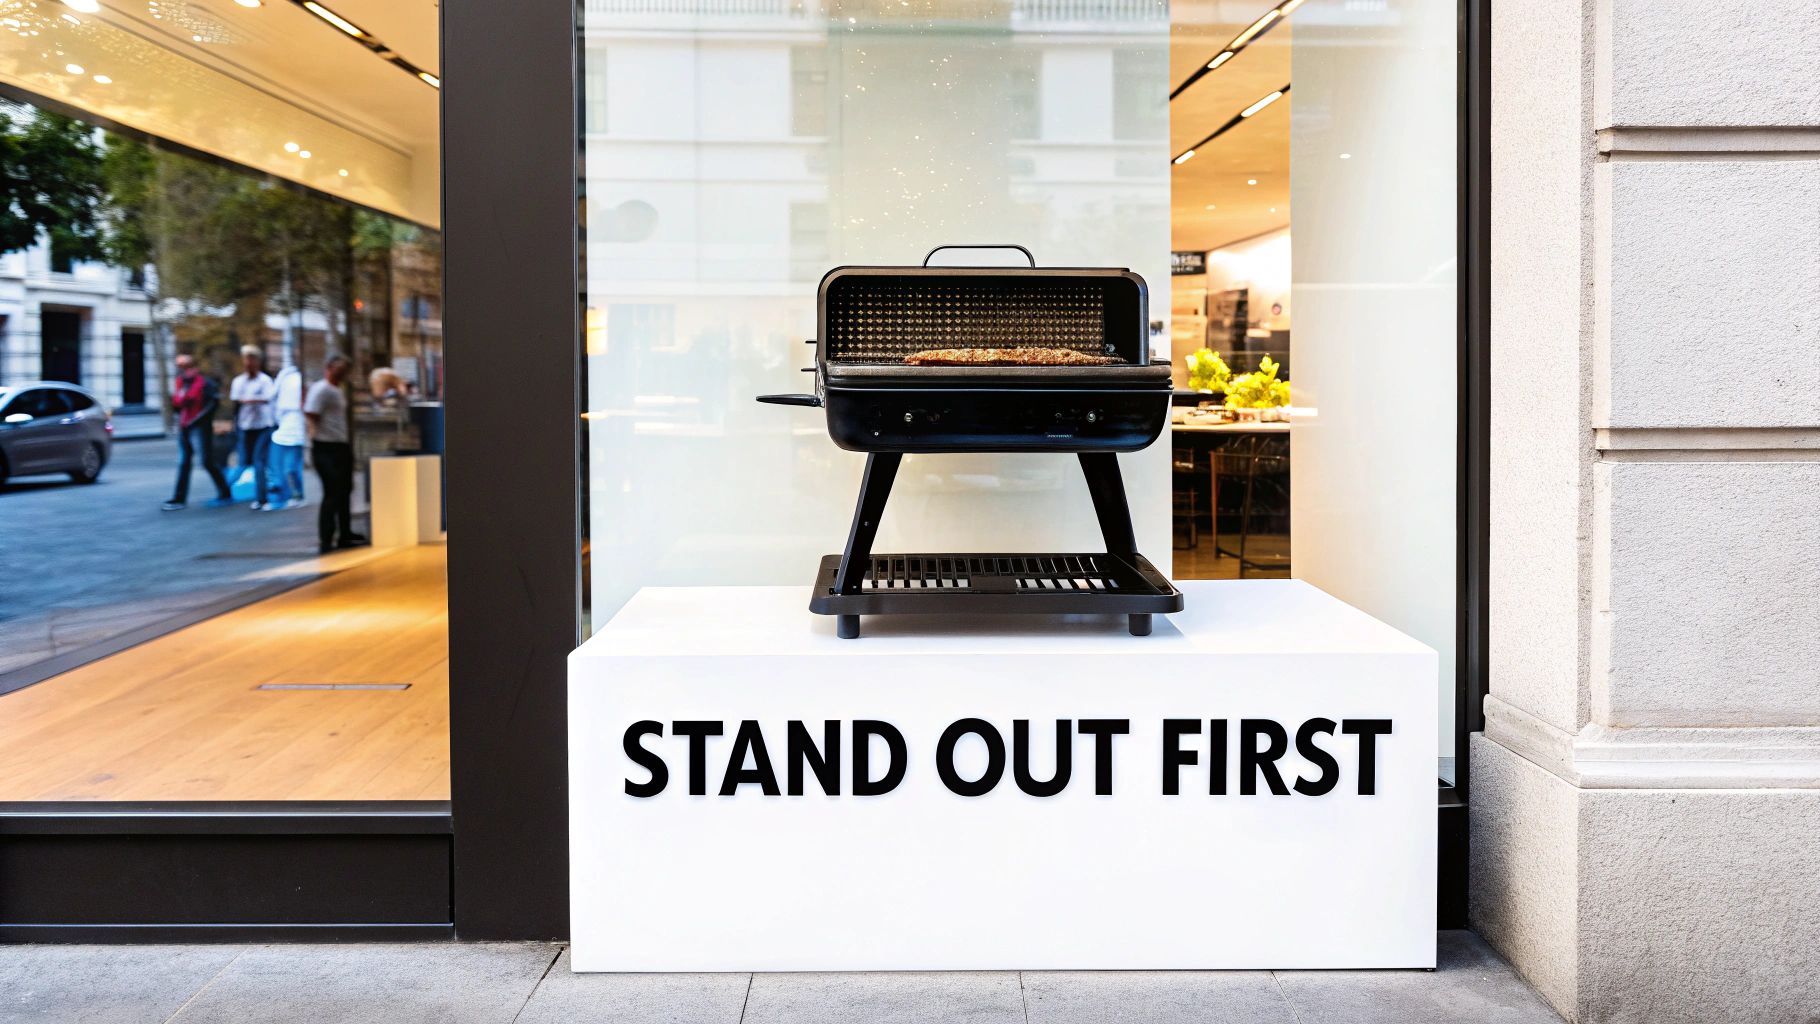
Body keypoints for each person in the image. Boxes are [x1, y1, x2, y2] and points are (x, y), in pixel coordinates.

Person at [305, 354, 367, 553]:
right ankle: (326, 538)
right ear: (330, 367)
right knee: (332, 493)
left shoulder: (336, 390)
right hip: (326, 447)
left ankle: (345, 533)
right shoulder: (321, 389)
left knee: (344, 491)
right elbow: (311, 414)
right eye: (340, 369)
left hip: (339, 446)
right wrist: (313, 442)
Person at [163, 354, 233, 511]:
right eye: (178, 365)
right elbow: (177, 406)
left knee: (207, 462)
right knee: (184, 462)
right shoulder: (181, 384)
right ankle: (179, 498)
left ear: (191, 366)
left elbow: (213, 404)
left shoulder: (204, 383)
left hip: (200, 428)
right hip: (184, 427)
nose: (180, 369)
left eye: (183, 365)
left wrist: (195, 421)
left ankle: (225, 492)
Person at [228, 345, 276, 510]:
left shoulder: (265, 380)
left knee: (259, 461)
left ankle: (262, 499)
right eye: (246, 359)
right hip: (245, 426)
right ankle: (225, 490)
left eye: (252, 359)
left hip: (263, 426)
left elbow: (269, 398)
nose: (249, 363)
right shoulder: (239, 381)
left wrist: (249, 400)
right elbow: (236, 401)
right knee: (243, 462)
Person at [266, 357, 307, 510]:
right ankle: (289, 495)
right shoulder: (286, 379)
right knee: (282, 468)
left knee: (289, 468)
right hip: (283, 429)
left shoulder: (290, 380)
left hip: (293, 431)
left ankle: (296, 495)